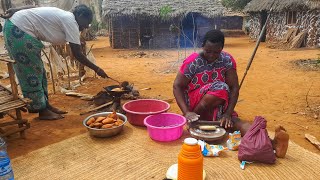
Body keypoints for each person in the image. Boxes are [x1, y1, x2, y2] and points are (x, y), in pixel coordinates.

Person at [173, 29, 289, 158]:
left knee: (236, 123)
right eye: (208, 51)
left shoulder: (227, 60)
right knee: (221, 87)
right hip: (196, 103)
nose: (211, 55)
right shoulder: (193, 62)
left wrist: (227, 113)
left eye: (216, 52)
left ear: (222, 48)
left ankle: (273, 144)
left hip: (219, 105)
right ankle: (196, 119)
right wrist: (187, 112)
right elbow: (177, 86)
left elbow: (234, 87)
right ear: (202, 46)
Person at [1, 5, 108, 120]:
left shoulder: (65, 16)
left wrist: (16, 9)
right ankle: (42, 110)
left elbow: (35, 8)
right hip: (18, 32)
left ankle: (45, 105)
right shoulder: (70, 21)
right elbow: (77, 54)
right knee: (31, 73)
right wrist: (97, 69)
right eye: (87, 22)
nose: (87, 26)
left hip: (17, 28)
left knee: (39, 71)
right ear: (80, 16)